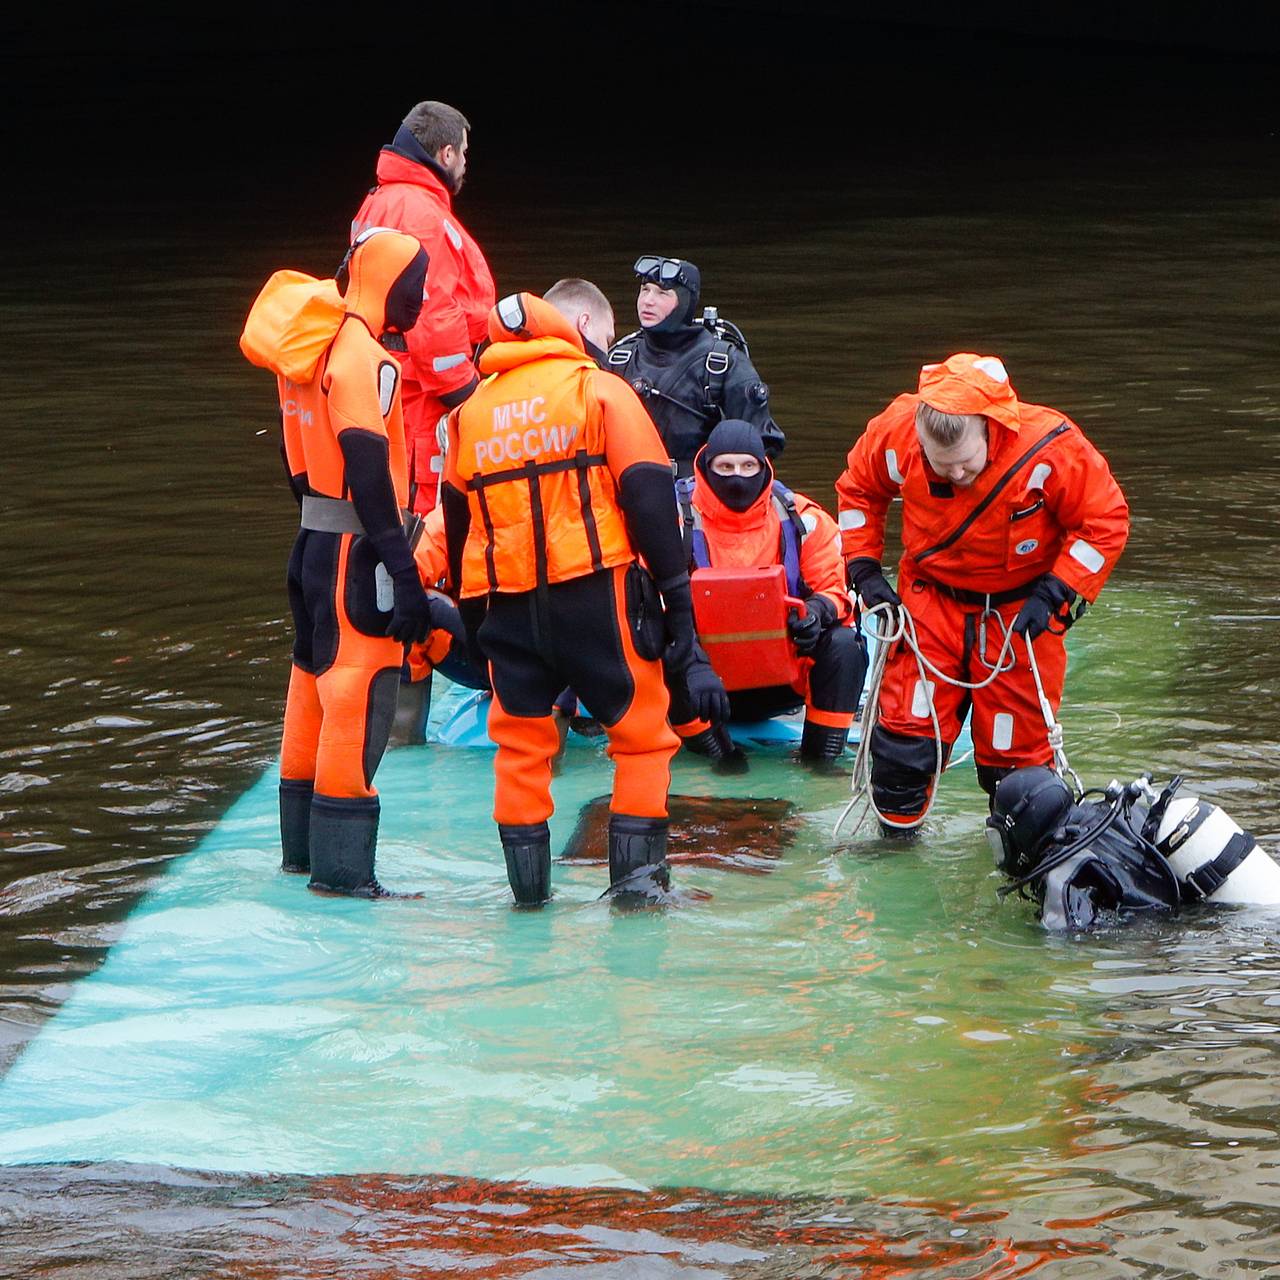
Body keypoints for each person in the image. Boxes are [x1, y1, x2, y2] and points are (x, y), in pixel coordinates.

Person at [441, 287, 729, 907]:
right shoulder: (599, 391)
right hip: (598, 599)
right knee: (642, 739)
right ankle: (639, 896)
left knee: (521, 751)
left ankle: (528, 903)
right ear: (572, 332)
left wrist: (474, 627)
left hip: (508, 611)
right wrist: (681, 614)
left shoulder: (469, 414)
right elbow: (651, 502)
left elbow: (459, 531)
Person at [835, 352, 1130, 834]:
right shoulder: (897, 433)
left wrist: (1058, 592)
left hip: (1017, 615)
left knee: (1017, 765)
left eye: (966, 464)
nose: (956, 477)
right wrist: (864, 568)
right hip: (929, 604)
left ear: (990, 429)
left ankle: (1020, 853)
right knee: (903, 747)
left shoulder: (1050, 448)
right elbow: (860, 490)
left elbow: (1104, 522)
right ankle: (895, 846)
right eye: (942, 466)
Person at [241, 228, 443, 895]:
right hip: (357, 551)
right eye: (417, 283)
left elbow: (291, 459)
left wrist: (320, 521)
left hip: (311, 542)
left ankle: (300, 855)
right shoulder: (365, 358)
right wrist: (404, 572)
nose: (421, 297)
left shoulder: (308, 348)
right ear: (390, 284)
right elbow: (366, 464)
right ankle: (344, 873)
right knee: (356, 690)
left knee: (309, 687)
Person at [669, 420, 868, 765]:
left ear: (764, 467)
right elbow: (648, 607)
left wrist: (816, 612)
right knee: (656, 639)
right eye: (725, 467)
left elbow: (836, 591)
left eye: (748, 466)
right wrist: (692, 660)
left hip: (782, 683)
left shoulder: (803, 519)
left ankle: (821, 760)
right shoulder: (671, 521)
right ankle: (718, 756)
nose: (737, 476)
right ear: (706, 466)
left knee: (845, 644)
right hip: (702, 683)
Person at [351, 100, 496, 516]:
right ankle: (419, 577)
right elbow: (431, 313)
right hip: (422, 390)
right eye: (464, 153)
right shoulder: (419, 213)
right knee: (424, 502)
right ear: (445, 154)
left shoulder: (381, 200)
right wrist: (467, 391)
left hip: (394, 376)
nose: (466, 163)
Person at [607, 255, 783, 473]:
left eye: (662, 293)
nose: (648, 301)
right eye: (645, 290)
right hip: (630, 486)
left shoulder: (722, 363)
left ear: (684, 301)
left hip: (699, 493)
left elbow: (762, 443)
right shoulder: (619, 359)